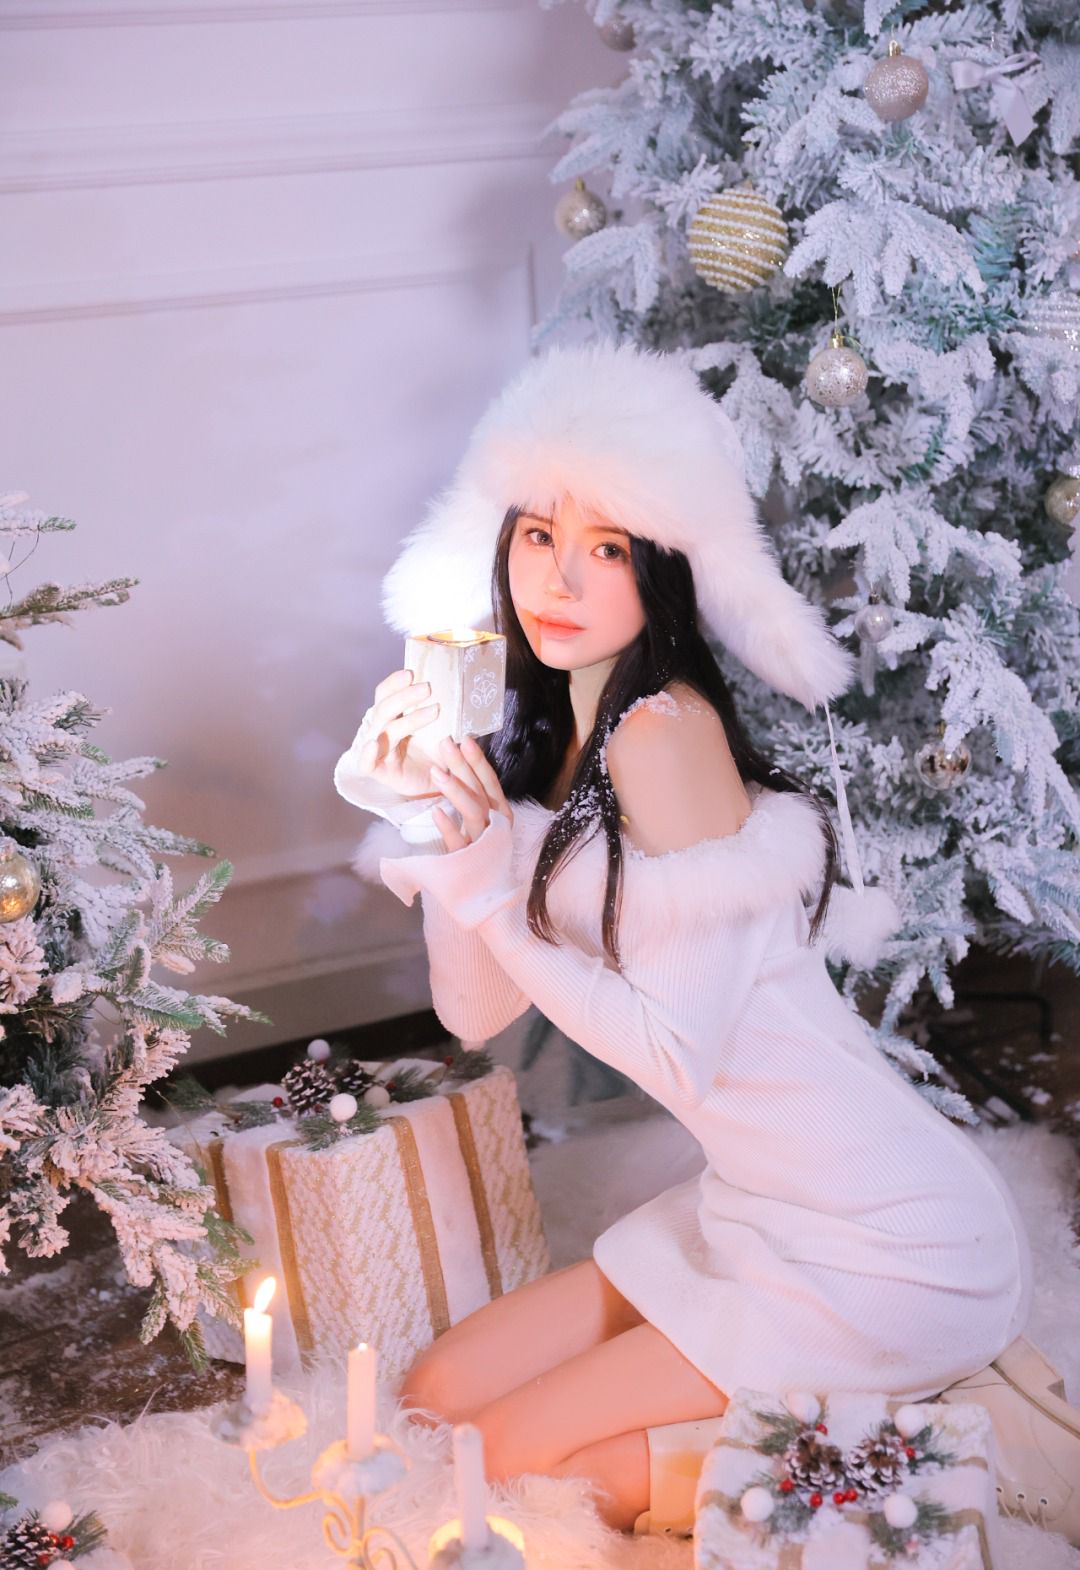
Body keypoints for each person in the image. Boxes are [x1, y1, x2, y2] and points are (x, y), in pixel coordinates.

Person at [333, 341, 1079, 1544]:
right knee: (436, 1395)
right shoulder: (554, 746)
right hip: (756, 1209)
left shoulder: (663, 735)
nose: (558, 576)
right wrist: (438, 820)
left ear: (665, 568)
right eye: (538, 533)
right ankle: (795, 1416)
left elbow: (675, 1054)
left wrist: (482, 892)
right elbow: (474, 1015)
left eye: (606, 546)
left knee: (512, 1463)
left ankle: (930, 1441)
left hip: (893, 1245)